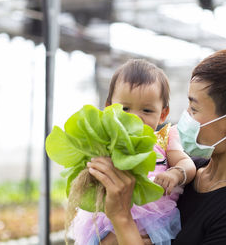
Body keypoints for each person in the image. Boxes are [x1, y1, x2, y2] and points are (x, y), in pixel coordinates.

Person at [86, 48, 226, 245]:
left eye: (194, 108)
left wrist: (122, 219)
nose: (185, 116)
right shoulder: (187, 172)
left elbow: (125, 225)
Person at [71, 59, 196, 245]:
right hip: (108, 216)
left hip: (153, 219)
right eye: (125, 108)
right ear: (109, 107)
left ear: (162, 113)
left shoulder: (164, 138)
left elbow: (188, 164)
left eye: (146, 110)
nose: (135, 117)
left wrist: (176, 173)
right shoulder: (107, 140)